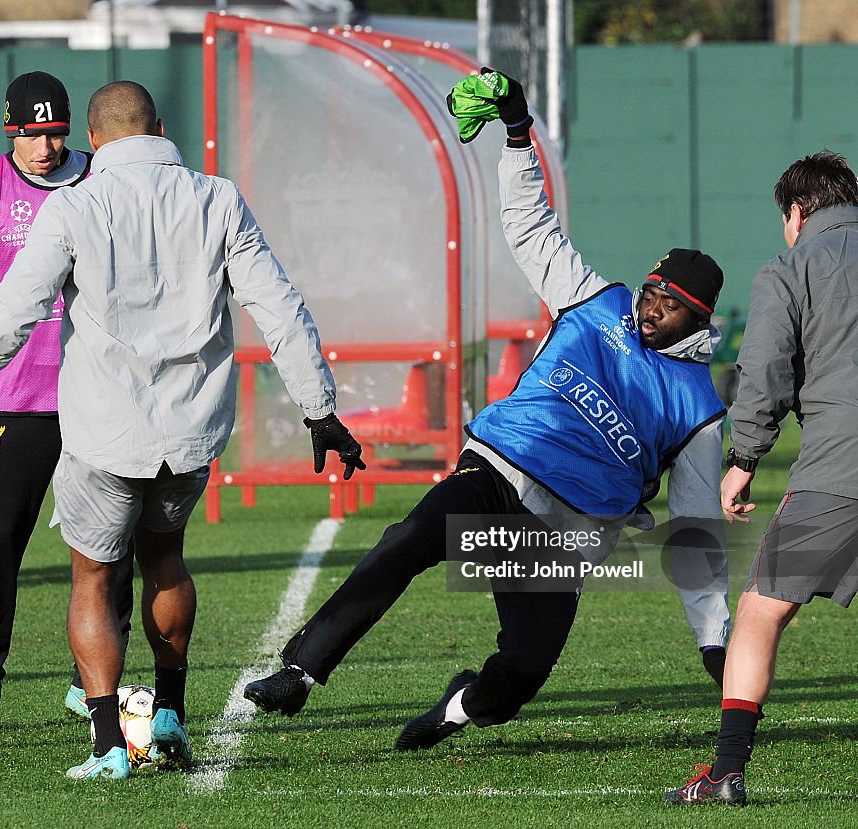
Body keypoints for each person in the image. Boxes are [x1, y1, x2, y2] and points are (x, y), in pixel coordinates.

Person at [244, 68, 731, 752]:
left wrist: (715, 641)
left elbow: (698, 527)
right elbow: (530, 226)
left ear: (698, 320)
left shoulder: (699, 409)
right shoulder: (596, 301)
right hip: (502, 469)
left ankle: (460, 706)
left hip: (567, 532)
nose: (653, 307)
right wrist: (517, 131)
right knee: (409, 538)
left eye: (671, 303)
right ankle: (301, 668)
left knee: (522, 674)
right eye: (653, 291)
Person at [0, 80, 364, 780]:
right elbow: (279, 306)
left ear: (94, 141)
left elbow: (15, 308)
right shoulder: (218, 197)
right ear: (159, 127)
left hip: (103, 428)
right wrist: (320, 407)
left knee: (92, 577)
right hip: (190, 431)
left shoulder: (76, 203)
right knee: (166, 559)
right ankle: (168, 716)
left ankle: (106, 744)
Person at [0, 71, 135, 736]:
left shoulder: (104, 178)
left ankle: (94, 683)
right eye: (31, 134)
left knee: (113, 550)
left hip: (99, 397)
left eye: (55, 133)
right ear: (10, 131)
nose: (44, 148)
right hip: (12, 401)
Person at [664, 151, 858, 807]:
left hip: (840, 469)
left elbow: (766, 371)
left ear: (797, 212)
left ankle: (725, 771)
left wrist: (743, 460)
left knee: (759, 610)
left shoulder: (791, 266)